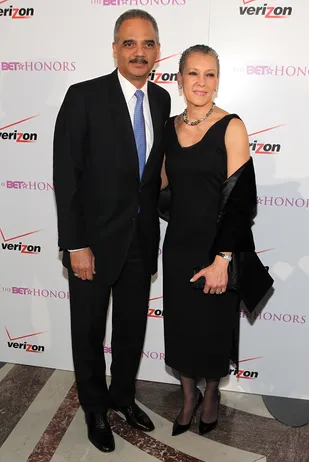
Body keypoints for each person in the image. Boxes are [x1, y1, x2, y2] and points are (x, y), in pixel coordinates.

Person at [53, 9, 171, 453]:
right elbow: (67, 176)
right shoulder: (83, 96)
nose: (139, 52)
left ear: (158, 50)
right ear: (115, 48)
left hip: (141, 240)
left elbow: (152, 175)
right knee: (87, 330)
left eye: (147, 44)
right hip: (92, 244)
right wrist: (75, 243)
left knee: (130, 327)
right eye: (129, 43)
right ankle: (95, 409)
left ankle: (122, 396)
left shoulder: (161, 100)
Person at [160, 45, 257, 437]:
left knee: (215, 331)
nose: (202, 82)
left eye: (210, 74)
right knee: (181, 329)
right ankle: (188, 399)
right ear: (179, 78)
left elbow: (241, 199)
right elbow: (161, 185)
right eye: (193, 73)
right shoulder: (167, 127)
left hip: (219, 246)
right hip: (179, 245)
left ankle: (212, 394)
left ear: (218, 80)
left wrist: (223, 259)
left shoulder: (232, 125)